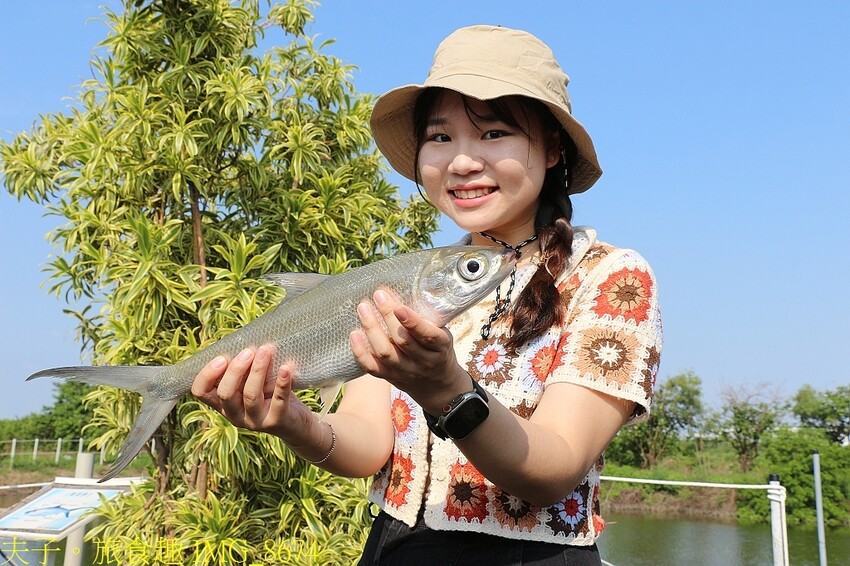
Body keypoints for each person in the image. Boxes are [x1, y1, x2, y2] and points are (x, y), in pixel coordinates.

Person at [192, 24, 662, 565]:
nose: (461, 162)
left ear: (553, 148)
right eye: (440, 138)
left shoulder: (612, 277)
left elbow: (553, 471)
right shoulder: (414, 281)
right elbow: (370, 446)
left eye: (492, 134)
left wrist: (448, 393)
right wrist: (291, 420)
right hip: (393, 549)